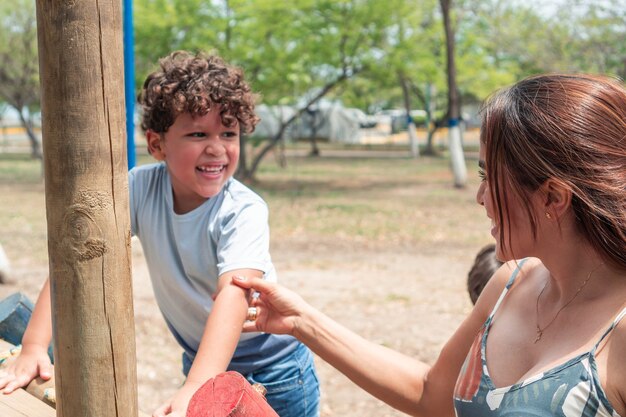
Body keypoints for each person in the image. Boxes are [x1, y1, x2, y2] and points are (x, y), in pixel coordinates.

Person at [232, 73, 626, 416]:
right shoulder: (511, 282)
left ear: (552, 198)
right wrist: (301, 321)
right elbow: (431, 396)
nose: (480, 197)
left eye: (490, 178)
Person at [0, 51, 320, 417]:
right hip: (203, 360)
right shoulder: (138, 189)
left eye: (228, 133)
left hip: (274, 370)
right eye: (198, 133)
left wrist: (198, 385)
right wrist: (34, 345)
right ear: (157, 145)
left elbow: (235, 293)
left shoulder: (243, 210)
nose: (216, 148)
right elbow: (79, 254)